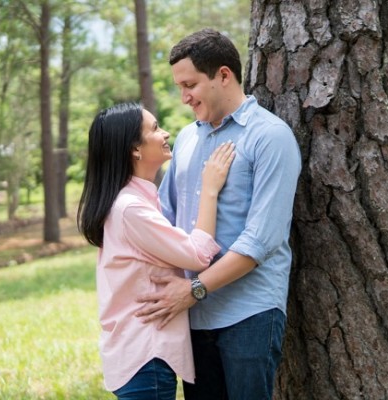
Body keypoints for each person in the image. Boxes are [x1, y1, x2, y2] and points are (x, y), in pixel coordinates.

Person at [134, 28, 302, 400]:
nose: (183, 97)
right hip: (193, 315)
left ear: (223, 75)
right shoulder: (187, 139)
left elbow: (261, 241)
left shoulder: (270, 137)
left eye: (190, 84)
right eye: (180, 87)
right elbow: (167, 219)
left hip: (250, 313)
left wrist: (194, 289)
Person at [77, 102, 235, 399]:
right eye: (154, 128)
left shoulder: (134, 200)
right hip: (145, 356)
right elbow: (199, 254)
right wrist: (210, 188)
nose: (165, 133)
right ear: (135, 149)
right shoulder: (131, 209)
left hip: (137, 355)